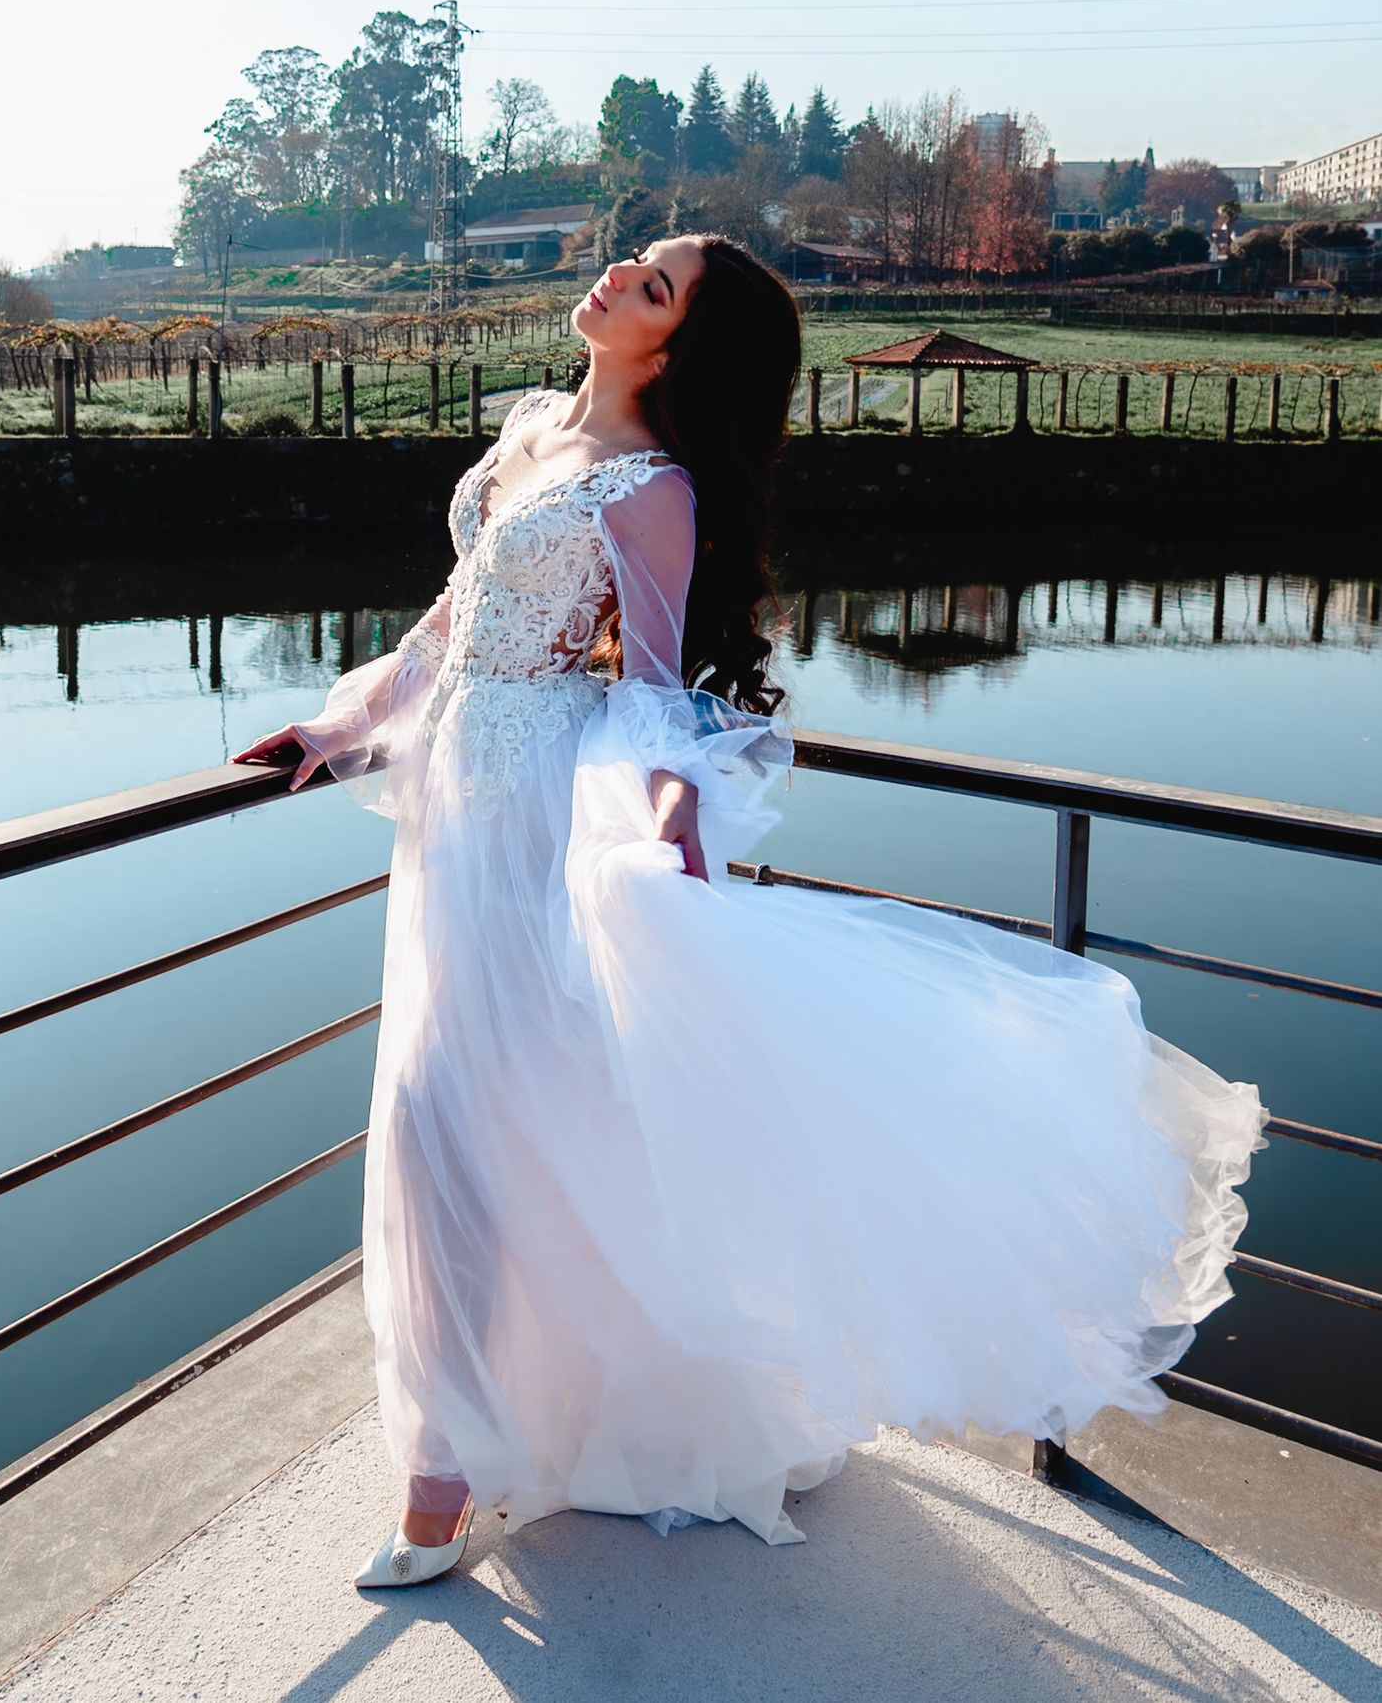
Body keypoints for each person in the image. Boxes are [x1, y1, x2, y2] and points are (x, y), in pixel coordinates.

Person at [231, 235, 1269, 1589]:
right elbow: (447, 626)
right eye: (633, 262)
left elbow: (657, 682)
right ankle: (523, 1418)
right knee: (485, 1119)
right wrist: (336, 722)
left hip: (537, 816)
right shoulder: (534, 429)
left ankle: (438, 1477)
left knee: (445, 1120)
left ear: (674, 349)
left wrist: (678, 815)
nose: (613, 279)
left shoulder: (651, 488)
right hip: (451, 814)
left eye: (650, 288)